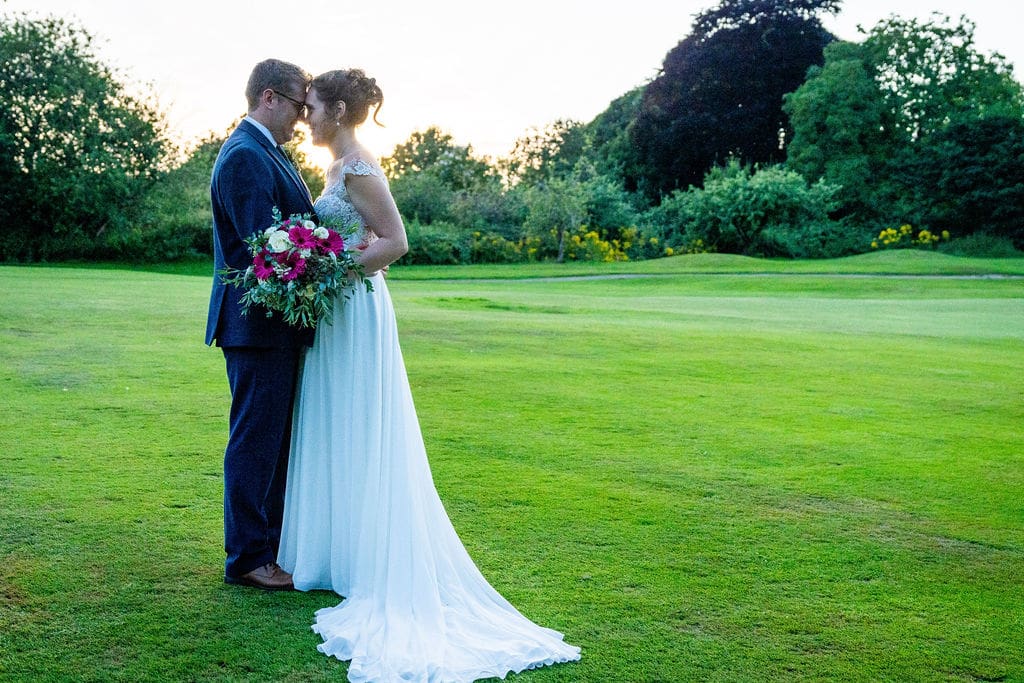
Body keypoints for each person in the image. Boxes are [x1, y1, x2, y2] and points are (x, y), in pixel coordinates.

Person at [277, 69, 581, 682]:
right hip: (334, 312)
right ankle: (340, 556)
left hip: (355, 309)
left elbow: (394, 241)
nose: (305, 115)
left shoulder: (360, 167)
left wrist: (325, 266)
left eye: (311, 106)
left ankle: (368, 561)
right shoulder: (334, 169)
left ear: (338, 110)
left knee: (362, 422)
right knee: (335, 422)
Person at [206, 58, 315, 591]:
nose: (302, 116)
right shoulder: (246, 156)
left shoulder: (267, 152)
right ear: (270, 97)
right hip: (257, 325)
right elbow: (264, 253)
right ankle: (249, 558)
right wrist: (324, 265)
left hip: (274, 326)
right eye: (299, 104)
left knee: (271, 440)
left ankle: (267, 546)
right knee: (255, 440)